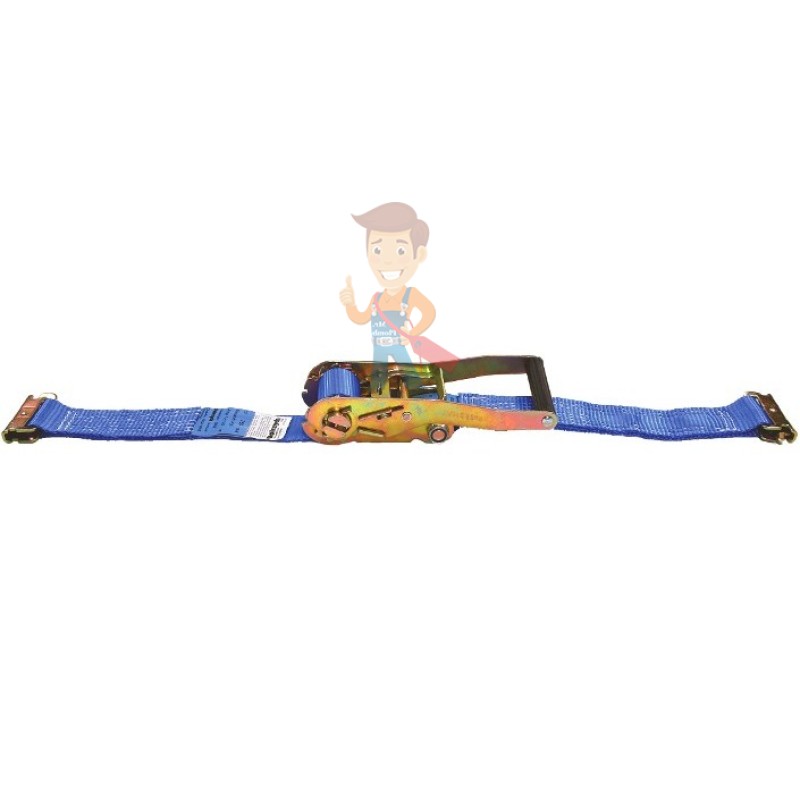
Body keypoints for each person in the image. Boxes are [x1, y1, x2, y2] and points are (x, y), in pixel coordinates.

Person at [339, 202, 436, 366]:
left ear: (419, 254)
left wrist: (412, 334)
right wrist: (350, 304)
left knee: (409, 375)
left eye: (400, 251)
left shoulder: (410, 295)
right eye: (377, 250)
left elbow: (429, 313)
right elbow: (360, 318)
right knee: (378, 378)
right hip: (378, 349)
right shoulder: (376, 299)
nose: (388, 261)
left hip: (399, 346)